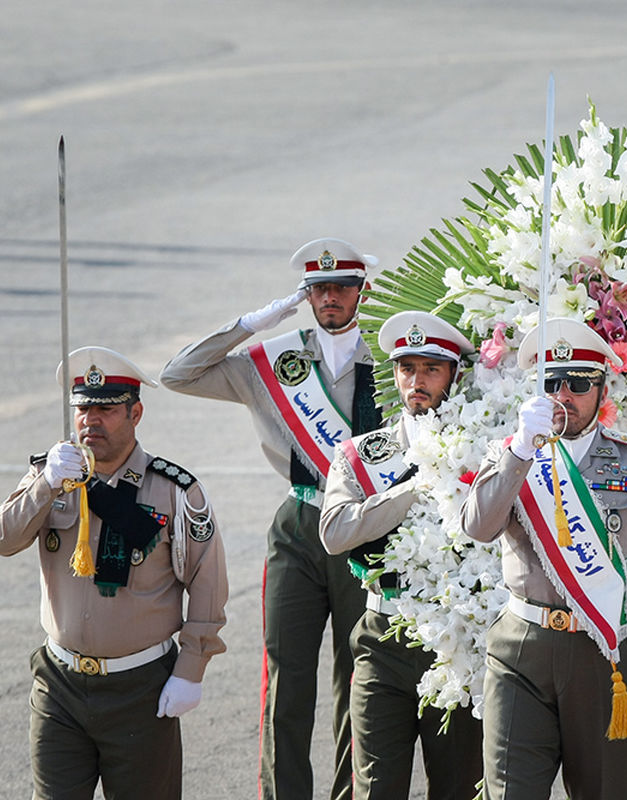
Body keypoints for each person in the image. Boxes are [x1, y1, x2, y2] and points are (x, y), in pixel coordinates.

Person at [160, 238, 381, 800]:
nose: (329, 298)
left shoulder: (391, 357)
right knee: (287, 677)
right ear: (305, 296)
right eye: (318, 289)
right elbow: (178, 375)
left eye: (341, 288)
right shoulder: (272, 362)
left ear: (363, 291)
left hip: (368, 527)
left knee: (361, 678)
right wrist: (251, 323)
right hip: (301, 524)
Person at [461, 318, 627, 799]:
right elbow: (478, 527)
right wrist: (521, 451)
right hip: (522, 648)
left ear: (602, 390)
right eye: (552, 383)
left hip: (604, 658)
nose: (563, 396)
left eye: (579, 384)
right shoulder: (512, 454)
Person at [0, 346, 228, 800]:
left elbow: (207, 582)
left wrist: (191, 667)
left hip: (139, 687)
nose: (90, 420)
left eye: (106, 409)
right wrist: (45, 485)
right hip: (60, 684)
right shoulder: (54, 474)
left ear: (135, 412)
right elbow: (1, 540)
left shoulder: (175, 489)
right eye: (82, 409)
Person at [319, 310, 482, 799]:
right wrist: (414, 487)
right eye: (407, 368)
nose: (417, 381)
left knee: (457, 787)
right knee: (375, 787)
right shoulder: (360, 453)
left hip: (455, 642)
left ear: (454, 375)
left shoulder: (481, 450)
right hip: (381, 639)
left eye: (432, 369)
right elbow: (334, 533)